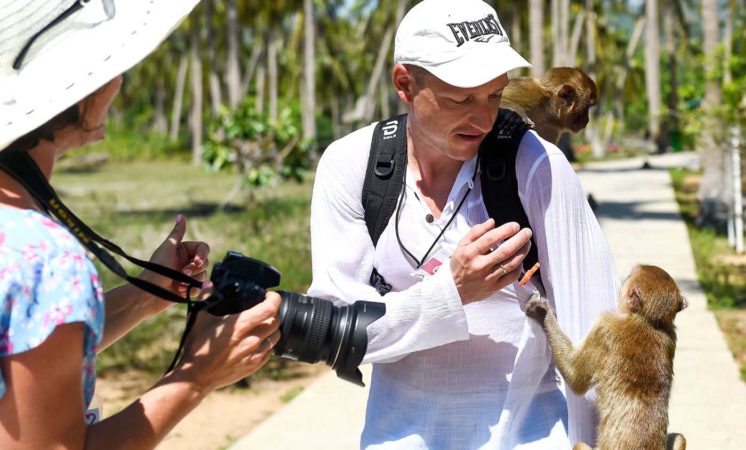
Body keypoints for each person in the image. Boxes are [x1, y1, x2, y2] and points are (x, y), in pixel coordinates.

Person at [308, 0, 620, 449]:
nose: (484, 118)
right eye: (461, 99)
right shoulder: (352, 165)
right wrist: (452, 293)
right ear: (405, 84)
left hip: (531, 437)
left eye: (494, 95)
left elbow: (594, 332)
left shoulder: (536, 165)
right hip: (396, 438)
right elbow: (339, 334)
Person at [0, 1, 281, 449]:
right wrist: (196, 377)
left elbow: (25, 344)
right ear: (81, 88)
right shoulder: (45, 258)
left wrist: (145, 294)